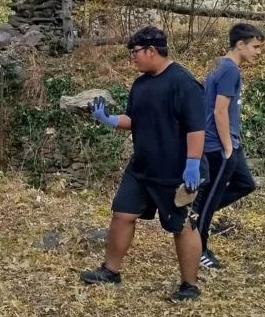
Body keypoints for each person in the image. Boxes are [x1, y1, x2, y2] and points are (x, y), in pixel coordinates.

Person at [79, 26, 207, 302]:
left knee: (182, 227)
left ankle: (189, 285)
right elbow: (134, 119)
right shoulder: (141, 84)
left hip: (175, 172)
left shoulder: (184, 83)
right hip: (142, 168)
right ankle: (110, 271)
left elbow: (196, 129)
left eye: (135, 53)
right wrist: (111, 120)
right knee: (122, 214)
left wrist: (193, 164)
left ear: (152, 51)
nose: (132, 59)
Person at [193, 23, 264, 269]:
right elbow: (219, 110)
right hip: (218, 146)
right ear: (240, 44)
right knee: (209, 198)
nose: (258, 52)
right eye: (255, 47)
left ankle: (198, 212)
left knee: (245, 184)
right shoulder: (229, 69)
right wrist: (227, 147)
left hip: (229, 143)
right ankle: (198, 250)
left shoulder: (221, 66)